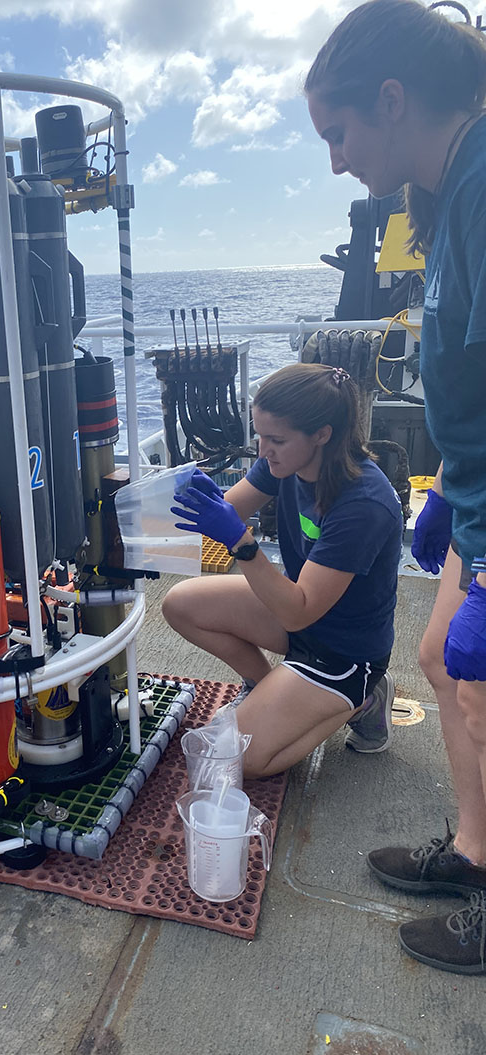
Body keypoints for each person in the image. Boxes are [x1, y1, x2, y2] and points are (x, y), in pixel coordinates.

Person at [306, 0, 486, 975]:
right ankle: (470, 854)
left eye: (337, 132)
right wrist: (455, 495)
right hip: (475, 490)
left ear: (389, 99)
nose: (334, 157)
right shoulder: (449, 187)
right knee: (439, 658)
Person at [164, 362, 403, 780]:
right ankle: (267, 687)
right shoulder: (284, 463)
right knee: (179, 604)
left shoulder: (365, 502)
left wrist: (241, 543)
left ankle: (363, 700)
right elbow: (232, 507)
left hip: (342, 654)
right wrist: (198, 499)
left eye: (275, 439)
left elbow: (298, 610)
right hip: (300, 620)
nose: (262, 450)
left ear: (322, 435)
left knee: (241, 761)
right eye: (259, 435)